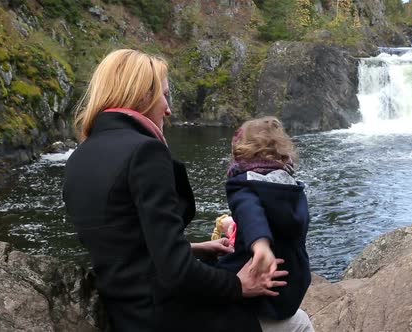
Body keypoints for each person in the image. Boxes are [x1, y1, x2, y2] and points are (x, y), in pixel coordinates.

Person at [62, 49, 290, 332]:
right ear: (142, 95)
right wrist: (238, 285)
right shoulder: (145, 152)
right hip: (168, 317)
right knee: (297, 323)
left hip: (127, 315)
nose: (168, 109)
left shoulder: (79, 157)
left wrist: (194, 248)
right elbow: (176, 272)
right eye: (164, 95)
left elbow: (120, 243)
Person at [216, 117, 314, 331]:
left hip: (259, 294)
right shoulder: (292, 187)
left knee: (203, 271)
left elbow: (251, 212)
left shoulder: (243, 185)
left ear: (242, 152)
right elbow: (270, 216)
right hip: (290, 290)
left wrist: (260, 244)